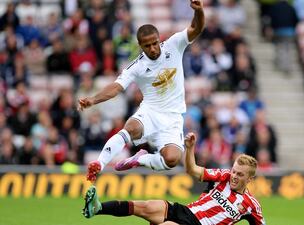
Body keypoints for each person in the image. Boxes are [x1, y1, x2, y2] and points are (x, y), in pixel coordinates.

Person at [77, 0, 205, 182]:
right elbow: (116, 87)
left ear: (159, 39)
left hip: (173, 117)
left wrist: (199, 11)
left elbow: (196, 28)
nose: (153, 48)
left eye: (155, 43)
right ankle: (98, 165)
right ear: (140, 45)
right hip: (150, 112)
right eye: (147, 46)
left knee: (172, 159)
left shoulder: (174, 45)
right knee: (130, 128)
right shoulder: (137, 66)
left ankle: (141, 159)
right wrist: (93, 100)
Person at [82, 132, 266, 225]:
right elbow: (192, 170)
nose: (234, 176)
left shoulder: (251, 205)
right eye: (234, 171)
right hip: (186, 212)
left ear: (249, 179)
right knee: (146, 206)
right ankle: (97, 208)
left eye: (240, 174)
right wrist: (190, 148)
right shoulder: (223, 176)